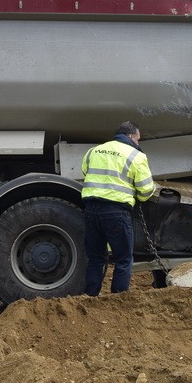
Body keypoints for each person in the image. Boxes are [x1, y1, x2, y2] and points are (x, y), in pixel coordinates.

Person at [81, 121, 156, 295]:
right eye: (138, 139)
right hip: (116, 213)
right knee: (123, 260)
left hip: (91, 211)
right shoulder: (136, 156)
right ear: (130, 137)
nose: (138, 143)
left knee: (96, 259)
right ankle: (118, 300)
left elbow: (86, 171)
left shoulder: (94, 151)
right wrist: (138, 196)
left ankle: (90, 297)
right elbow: (145, 190)